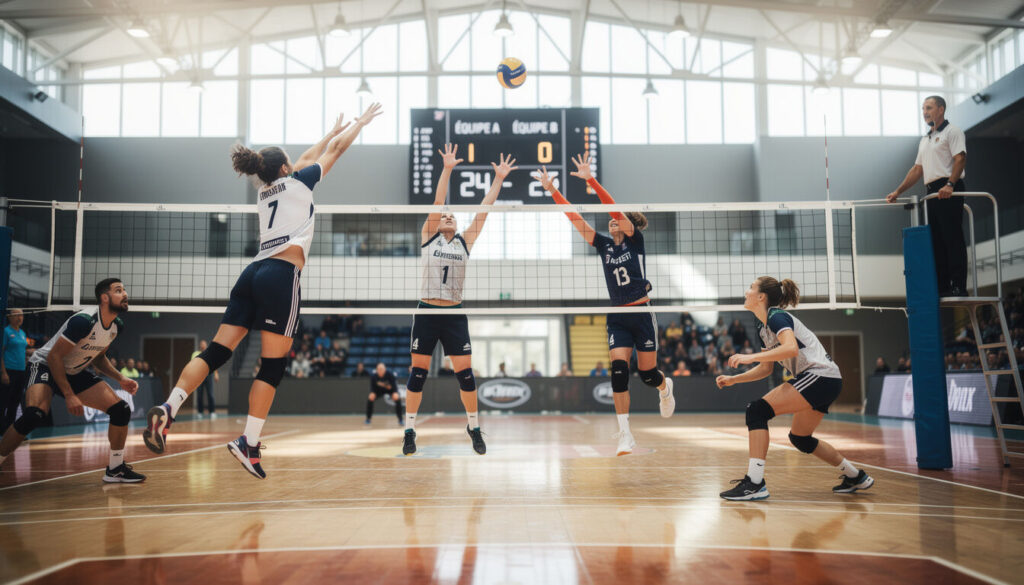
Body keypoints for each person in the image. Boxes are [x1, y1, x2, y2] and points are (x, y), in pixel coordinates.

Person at [142, 104, 382, 479]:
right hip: (281, 275)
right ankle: (248, 443)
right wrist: (358, 127)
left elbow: (306, 156)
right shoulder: (300, 182)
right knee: (272, 365)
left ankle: (170, 407)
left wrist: (328, 132)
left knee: (217, 352)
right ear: (286, 169)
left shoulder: (267, 190)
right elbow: (333, 153)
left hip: (251, 273)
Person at [536, 153, 674, 456]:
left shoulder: (634, 240)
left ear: (625, 224)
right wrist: (552, 191)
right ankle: (625, 434)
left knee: (648, 375)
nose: (612, 221)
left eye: (617, 219)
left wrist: (590, 180)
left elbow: (611, 206)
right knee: (619, 371)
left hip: (641, 312)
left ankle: (665, 388)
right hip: (617, 316)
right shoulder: (603, 245)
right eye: (610, 221)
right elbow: (575, 217)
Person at [402, 144, 517, 457]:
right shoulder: (428, 234)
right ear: (438, 223)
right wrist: (448, 169)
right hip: (426, 312)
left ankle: (474, 427)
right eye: (445, 216)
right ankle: (409, 430)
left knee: (465, 374)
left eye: (453, 216)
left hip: (454, 314)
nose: (449, 217)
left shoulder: (465, 241)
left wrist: (499, 179)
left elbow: (484, 210)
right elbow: (439, 201)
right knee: (418, 374)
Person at [716, 277, 874, 500]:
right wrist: (736, 379)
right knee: (801, 438)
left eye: (751, 288)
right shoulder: (762, 326)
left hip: (819, 375)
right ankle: (855, 476)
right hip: (825, 379)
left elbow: (790, 348)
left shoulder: (776, 316)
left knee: (756, 411)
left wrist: (748, 356)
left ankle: (754, 483)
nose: (746, 291)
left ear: (761, 297)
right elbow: (765, 369)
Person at [0, 279, 144, 482]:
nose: (125, 294)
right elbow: (54, 357)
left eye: (124, 289)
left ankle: (116, 468)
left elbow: (99, 358)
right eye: (119, 290)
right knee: (34, 414)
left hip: (73, 371)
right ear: (104, 298)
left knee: (121, 410)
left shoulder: (115, 327)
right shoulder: (84, 321)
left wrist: (121, 378)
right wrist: (69, 394)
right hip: (45, 365)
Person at [886, 96, 968, 297]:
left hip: (949, 188)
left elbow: (960, 159)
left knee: (952, 239)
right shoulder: (925, 139)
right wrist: (898, 191)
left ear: (941, 109)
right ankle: (942, 287)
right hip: (931, 192)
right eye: (923, 108)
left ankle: (958, 285)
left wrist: (950, 184)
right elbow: (917, 169)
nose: (925, 112)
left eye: (929, 108)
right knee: (937, 241)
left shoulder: (953, 132)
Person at [1, 309, 28, 435]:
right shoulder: (6, 332)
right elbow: (1, 351)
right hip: (9, 371)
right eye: (16, 315)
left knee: (15, 402)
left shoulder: (22, 333)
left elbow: (23, 351)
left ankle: (9, 431)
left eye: (21, 315)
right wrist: (3, 372)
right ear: (10, 317)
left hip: (21, 371)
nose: (19, 317)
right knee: (4, 401)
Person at [190, 340, 219, 417]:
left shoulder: (210, 353)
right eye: (201, 344)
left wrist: (216, 374)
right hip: (199, 376)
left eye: (204, 344)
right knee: (199, 394)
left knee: (210, 394)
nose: (203, 345)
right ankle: (200, 412)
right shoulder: (195, 354)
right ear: (200, 345)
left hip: (209, 375)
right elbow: (193, 364)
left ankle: (212, 411)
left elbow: (214, 364)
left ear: (206, 345)